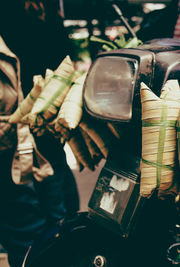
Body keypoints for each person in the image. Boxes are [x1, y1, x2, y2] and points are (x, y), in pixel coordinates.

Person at [0, 1, 80, 266]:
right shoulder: (45, 13)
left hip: (24, 134)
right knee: (54, 221)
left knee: (31, 229)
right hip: (33, 132)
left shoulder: (18, 13)